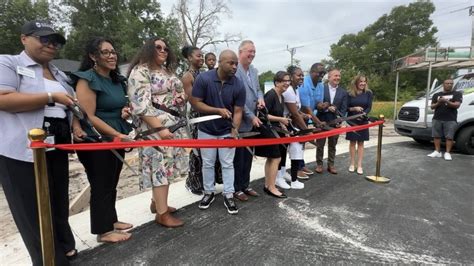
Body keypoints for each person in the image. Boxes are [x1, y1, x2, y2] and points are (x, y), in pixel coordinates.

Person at [0, 20, 77, 264]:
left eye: (56, 41)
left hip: (57, 145)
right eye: (44, 39)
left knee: (58, 201)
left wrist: (76, 126)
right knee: (31, 210)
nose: (51, 45)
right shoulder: (8, 63)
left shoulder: (59, 73)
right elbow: (4, 99)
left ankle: (65, 246)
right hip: (22, 150)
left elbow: (70, 105)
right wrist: (50, 97)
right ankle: (47, 258)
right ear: (24, 38)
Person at [72, 37, 133, 242]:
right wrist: (117, 135)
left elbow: (117, 107)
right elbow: (89, 116)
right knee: (101, 183)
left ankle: (111, 220)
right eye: (105, 52)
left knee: (112, 181)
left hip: (116, 135)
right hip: (96, 139)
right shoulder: (87, 79)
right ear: (93, 56)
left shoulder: (116, 80)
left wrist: (124, 112)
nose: (112, 56)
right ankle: (103, 231)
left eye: (113, 52)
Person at [128, 37, 187, 227]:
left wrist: (179, 98)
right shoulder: (140, 71)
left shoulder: (166, 71)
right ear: (148, 49)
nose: (163, 51)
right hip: (154, 129)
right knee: (160, 167)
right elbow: (141, 105)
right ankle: (162, 214)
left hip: (172, 125)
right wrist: (160, 129)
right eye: (158, 47)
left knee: (166, 167)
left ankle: (157, 203)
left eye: (166, 48)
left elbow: (178, 91)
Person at [190, 49, 246, 214]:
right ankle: (209, 193)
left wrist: (234, 130)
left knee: (227, 164)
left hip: (226, 130)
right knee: (207, 163)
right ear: (220, 62)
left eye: (236, 63)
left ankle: (228, 194)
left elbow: (238, 111)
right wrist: (217, 110)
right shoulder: (204, 79)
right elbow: (196, 103)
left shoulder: (238, 84)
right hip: (206, 130)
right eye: (231, 63)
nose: (235, 66)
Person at [233, 40, 263, 201]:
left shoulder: (254, 70)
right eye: (249, 51)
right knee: (239, 158)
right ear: (240, 52)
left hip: (254, 120)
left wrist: (260, 99)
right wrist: (251, 116)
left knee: (249, 156)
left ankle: (245, 184)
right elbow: (238, 100)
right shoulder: (235, 71)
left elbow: (258, 90)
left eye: (254, 51)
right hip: (241, 120)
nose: (252, 54)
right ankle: (236, 188)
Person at [255, 71, 290, 198]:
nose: (287, 83)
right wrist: (281, 120)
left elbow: (277, 115)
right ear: (277, 82)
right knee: (276, 158)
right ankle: (271, 186)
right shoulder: (270, 95)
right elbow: (264, 115)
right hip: (266, 131)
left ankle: (268, 185)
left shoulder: (282, 96)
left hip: (275, 130)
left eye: (288, 81)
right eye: (284, 81)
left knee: (272, 158)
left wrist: (281, 123)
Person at [290, 63, 325, 182]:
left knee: (302, 144)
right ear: (312, 72)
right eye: (320, 73)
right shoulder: (304, 85)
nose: (322, 75)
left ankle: (301, 164)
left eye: (323, 73)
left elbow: (317, 103)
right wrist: (318, 123)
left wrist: (324, 105)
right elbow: (306, 107)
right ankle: (296, 169)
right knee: (297, 144)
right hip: (297, 120)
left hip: (306, 118)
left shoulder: (320, 85)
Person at [315, 69, 348, 174]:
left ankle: (331, 165)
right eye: (335, 76)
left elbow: (344, 108)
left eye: (339, 76)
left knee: (332, 145)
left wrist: (340, 120)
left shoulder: (343, 92)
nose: (337, 78)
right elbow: (316, 104)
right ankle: (319, 164)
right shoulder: (321, 89)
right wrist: (326, 108)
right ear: (329, 77)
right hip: (321, 121)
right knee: (320, 144)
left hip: (335, 123)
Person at [282, 66, 307, 189]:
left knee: (291, 151)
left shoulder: (295, 90)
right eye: (298, 75)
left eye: (302, 75)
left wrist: (305, 115)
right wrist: (306, 131)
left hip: (291, 124)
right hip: (286, 125)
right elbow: (295, 114)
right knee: (295, 150)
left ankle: (282, 175)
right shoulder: (289, 91)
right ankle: (293, 180)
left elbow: (297, 111)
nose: (301, 77)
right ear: (291, 77)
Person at [427, 78, 462, 161]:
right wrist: (439, 103)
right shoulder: (437, 95)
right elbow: (432, 107)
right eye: (447, 83)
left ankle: (447, 153)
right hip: (437, 118)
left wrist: (446, 101)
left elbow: (457, 105)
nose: (449, 85)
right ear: (443, 84)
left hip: (450, 119)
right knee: (436, 136)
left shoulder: (457, 94)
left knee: (449, 137)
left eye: (451, 83)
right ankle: (437, 151)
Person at [346, 75, 373, 175]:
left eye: (364, 81)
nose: (363, 83)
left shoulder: (369, 93)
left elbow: (369, 107)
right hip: (351, 121)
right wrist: (354, 109)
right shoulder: (350, 94)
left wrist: (363, 114)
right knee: (352, 143)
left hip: (363, 120)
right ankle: (352, 164)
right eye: (361, 81)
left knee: (361, 143)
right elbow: (346, 108)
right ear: (356, 82)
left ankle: (360, 165)